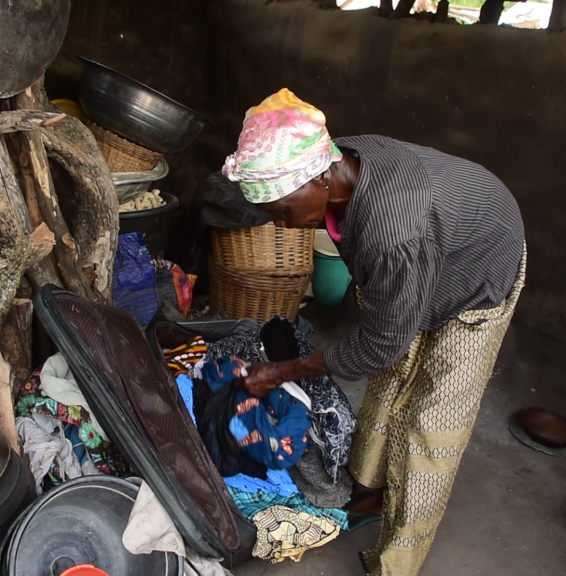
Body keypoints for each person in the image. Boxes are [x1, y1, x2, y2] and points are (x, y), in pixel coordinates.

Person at [222, 88, 526, 576]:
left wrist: (283, 371)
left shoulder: (394, 232)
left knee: (431, 424)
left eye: (280, 211)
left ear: (318, 178)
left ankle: (396, 563)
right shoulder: (338, 157)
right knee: (389, 386)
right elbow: (388, 338)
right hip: (426, 251)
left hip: (478, 268)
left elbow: (381, 344)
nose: (281, 224)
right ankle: (366, 491)